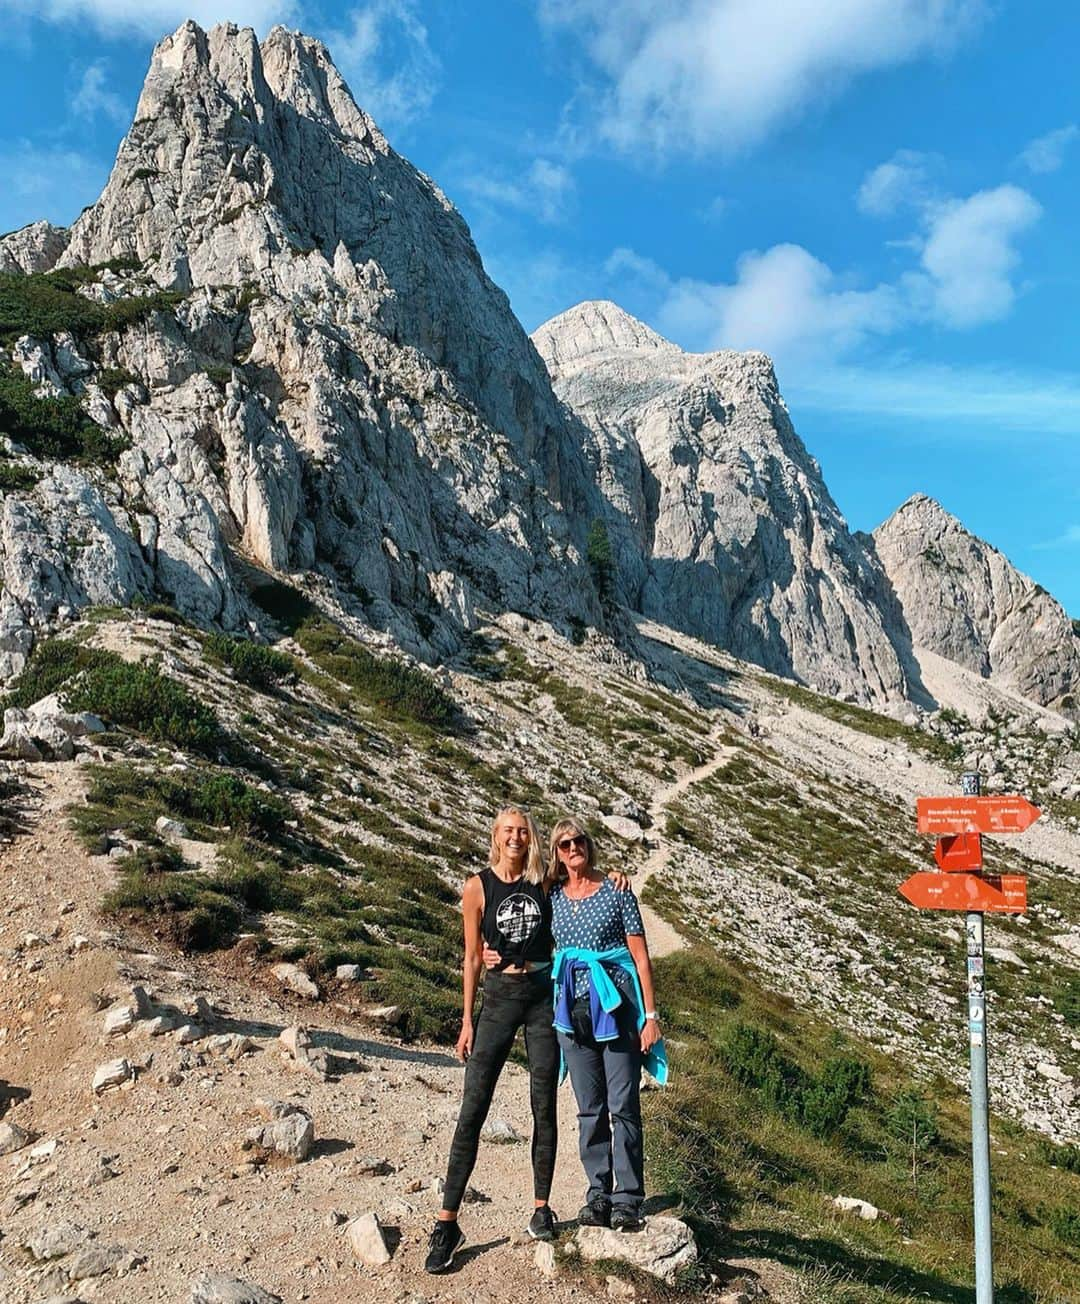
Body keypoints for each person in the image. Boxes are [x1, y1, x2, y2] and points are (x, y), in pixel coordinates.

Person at [424, 805, 560, 1274]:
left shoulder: (545, 879)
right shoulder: (477, 886)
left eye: (523, 831)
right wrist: (466, 1020)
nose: (516, 837)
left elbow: (585, 874)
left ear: (531, 837)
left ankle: (541, 1208)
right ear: (496, 836)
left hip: (542, 997)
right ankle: (447, 1222)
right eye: (508, 830)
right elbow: (471, 958)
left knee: (544, 1102)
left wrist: (617, 875)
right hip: (498, 999)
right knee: (473, 1107)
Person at [548, 816, 666, 1233]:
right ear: (557, 854)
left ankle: (629, 1197)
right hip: (572, 1015)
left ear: (588, 845)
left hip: (616, 1014)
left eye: (578, 840)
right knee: (589, 1111)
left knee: (624, 1106)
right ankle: (597, 1194)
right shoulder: (553, 896)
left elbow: (641, 958)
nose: (573, 848)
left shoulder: (617, 892)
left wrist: (650, 1018)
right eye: (564, 844)